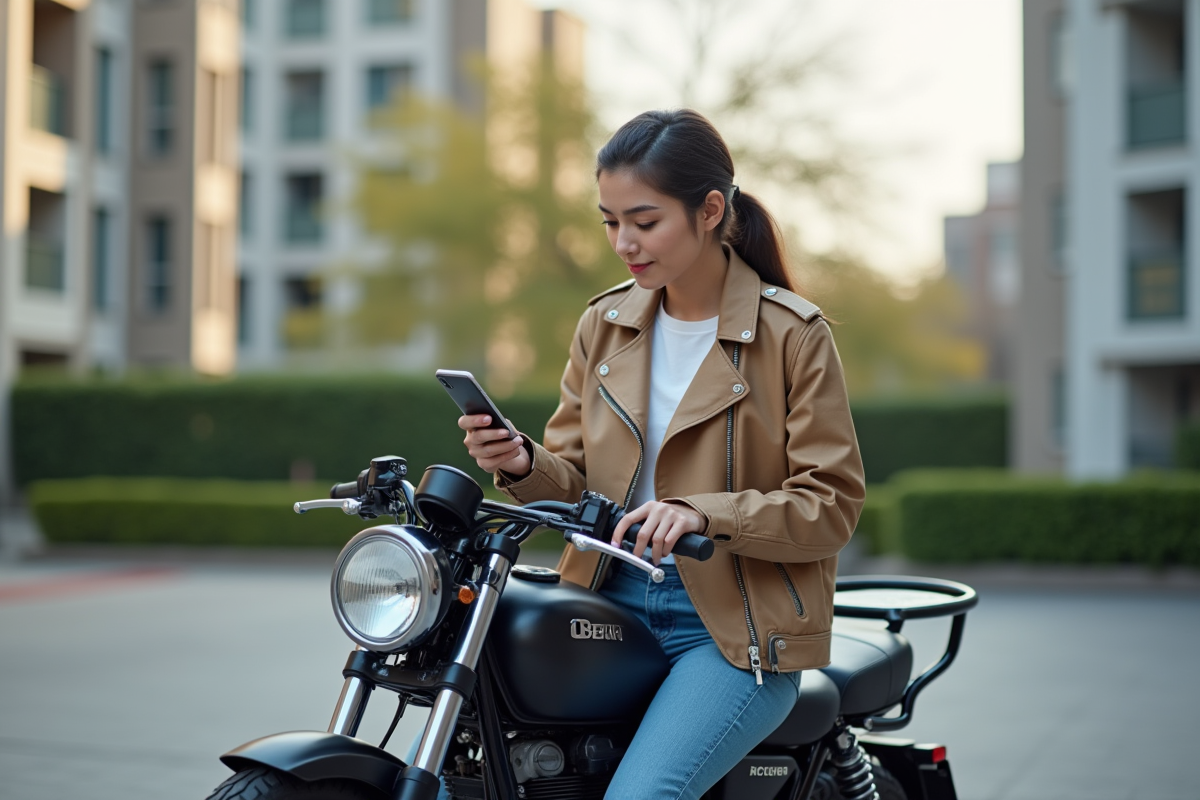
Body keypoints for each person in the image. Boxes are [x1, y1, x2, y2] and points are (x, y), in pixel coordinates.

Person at [459, 109, 865, 800]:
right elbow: (576, 483)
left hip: (733, 629)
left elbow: (831, 505)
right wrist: (522, 464)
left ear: (710, 210)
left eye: (644, 222)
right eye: (610, 221)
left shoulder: (793, 334)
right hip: (603, 600)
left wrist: (701, 514)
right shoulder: (604, 324)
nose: (623, 242)